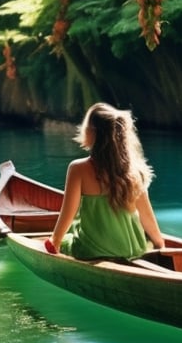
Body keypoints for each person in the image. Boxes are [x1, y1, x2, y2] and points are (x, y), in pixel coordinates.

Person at [46, 102, 164, 260]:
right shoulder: (134, 171)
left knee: (70, 233)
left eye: (85, 125)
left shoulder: (78, 169)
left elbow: (68, 213)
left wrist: (55, 241)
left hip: (93, 251)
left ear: (93, 132)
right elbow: (147, 215)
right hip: (133, 250)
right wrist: (160, 244)